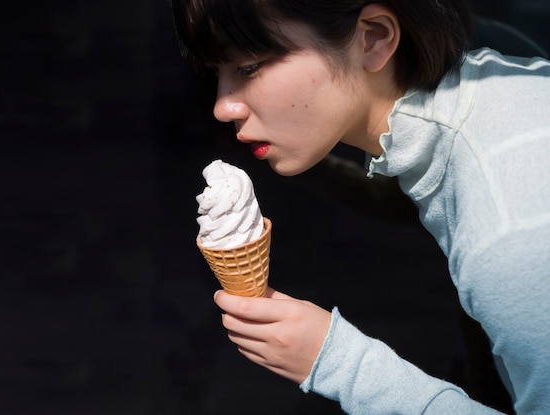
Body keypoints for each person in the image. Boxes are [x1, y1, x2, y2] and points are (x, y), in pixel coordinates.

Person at [170, 0, 550, 414]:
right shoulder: (486, 101)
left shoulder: (509, 228)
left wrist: (341, 364)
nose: (222, 106)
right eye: (215, 72)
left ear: (373, 38)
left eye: (248, 66)